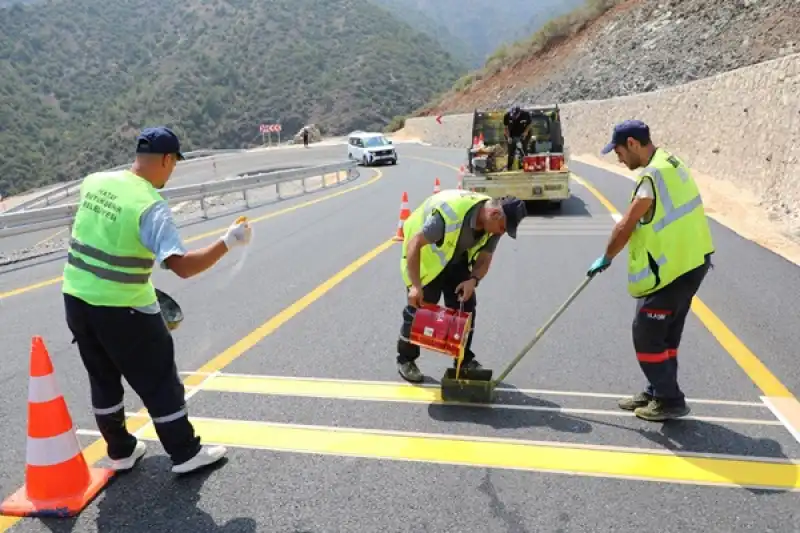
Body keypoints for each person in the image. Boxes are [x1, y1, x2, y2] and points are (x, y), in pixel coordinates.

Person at [62, 126, 253, 474]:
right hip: (125, 308)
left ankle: (120, 450)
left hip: (75, 299)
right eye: (174, 164)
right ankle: (185, 453)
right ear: (167, 159)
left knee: (102, 378)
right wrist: (229, 241)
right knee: (159, 379)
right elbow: (181, 267)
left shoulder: (95, 181)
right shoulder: (151, 205)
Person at [587, 119, 715, 422]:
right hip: (691, 261)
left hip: (675, 268)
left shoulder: (651, 177)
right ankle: (657, 390)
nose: (618, 159)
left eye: (618, 151)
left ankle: (670, 400)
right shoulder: (670, 162)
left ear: (632, 143)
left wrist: (606, 256)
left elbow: (626, 224)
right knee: (666, 334)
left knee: (646, 333)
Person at [396, 189, 527, 383]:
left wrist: (472, 280)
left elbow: (484, 258)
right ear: (494, 214)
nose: (502, 233)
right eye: (502, 228)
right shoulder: (447, 218)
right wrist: (415, 286)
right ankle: (406, 360)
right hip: (428, 257)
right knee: (419, 309)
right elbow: (415, 243)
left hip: (456, 257)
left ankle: (463, 360)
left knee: (465, 307)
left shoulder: (494, 226)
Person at [503, 105, 533, 171]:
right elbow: (506, 128)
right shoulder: (507, 116)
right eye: (512, 115)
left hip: (523, 134)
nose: (514, 116)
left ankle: (525, 166)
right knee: (511, 151)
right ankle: (509, 167)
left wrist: (525, 132)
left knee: (523, 150)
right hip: (511, 135)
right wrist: (508, 137)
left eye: (515, 115)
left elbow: (530, 124)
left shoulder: (526, 114)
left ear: (519, 113)